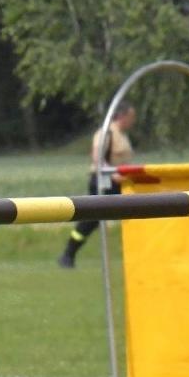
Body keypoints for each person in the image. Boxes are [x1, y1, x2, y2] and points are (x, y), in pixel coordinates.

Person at [58, 103, 136, 268]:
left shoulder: (122, 135)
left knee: (133, 212)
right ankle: (68, 254)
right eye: (131, 117)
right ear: (122, 116)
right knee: (92, 218)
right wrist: (112, 174)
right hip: (105, 182)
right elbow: (97, 157)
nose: (133, 121)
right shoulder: (106, 133)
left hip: (121, 183)